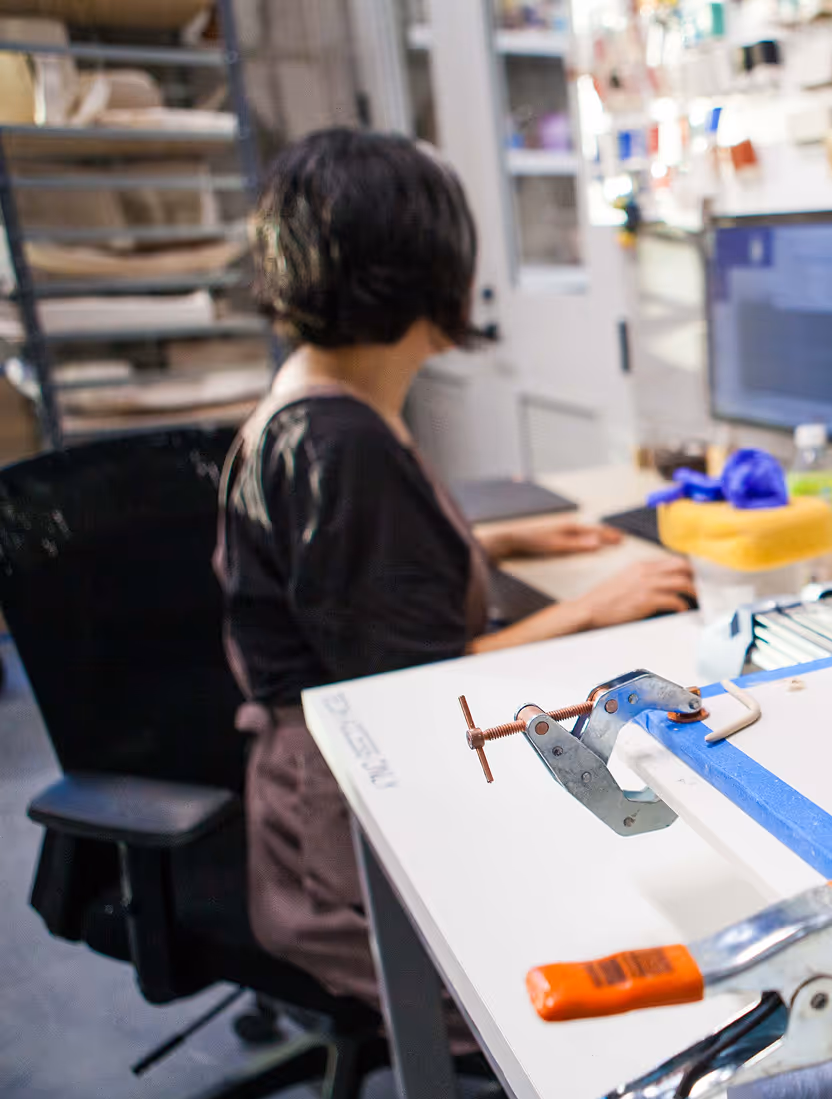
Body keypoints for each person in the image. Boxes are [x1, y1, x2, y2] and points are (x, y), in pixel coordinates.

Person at [215, 127, 695, 1011]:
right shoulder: (341, 443)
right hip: (338, 845)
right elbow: (415, 680)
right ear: (415, 271)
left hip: (317, 783)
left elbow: (343, 580)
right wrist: (598, 606)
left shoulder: (318, 401)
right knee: (610, 951)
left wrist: (499, 545)